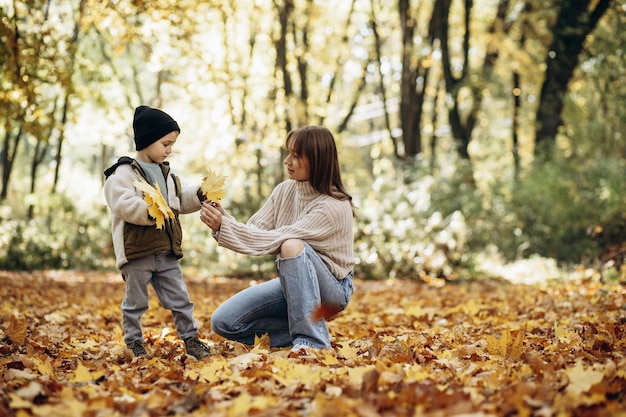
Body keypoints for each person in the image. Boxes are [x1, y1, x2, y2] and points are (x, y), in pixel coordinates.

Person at [200, 125, 355, 355]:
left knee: (291, 245)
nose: (287, 161)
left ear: (317, 160)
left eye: (296, 156)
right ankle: (302, 331)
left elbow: (276, 240)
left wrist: (226, 227)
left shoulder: (333, 206)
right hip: (293, 282)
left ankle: (313, 342)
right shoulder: (284, 191)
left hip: (333, 289)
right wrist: (224, 219)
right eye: (288, 153)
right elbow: (255, 230)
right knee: (224, 321)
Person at [103, 105, 211, 361]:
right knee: (136, 302)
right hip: (138, 251)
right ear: (148, 140)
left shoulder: (168, 174)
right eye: (165, 143)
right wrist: (150, 210)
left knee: (180, 299)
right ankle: (134, 342)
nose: (169, 149)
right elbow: (123, 204)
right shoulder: (123, 174)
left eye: (172, 144)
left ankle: (191, 339)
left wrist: (199, 195)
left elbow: (179, 201)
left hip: (166, 250)